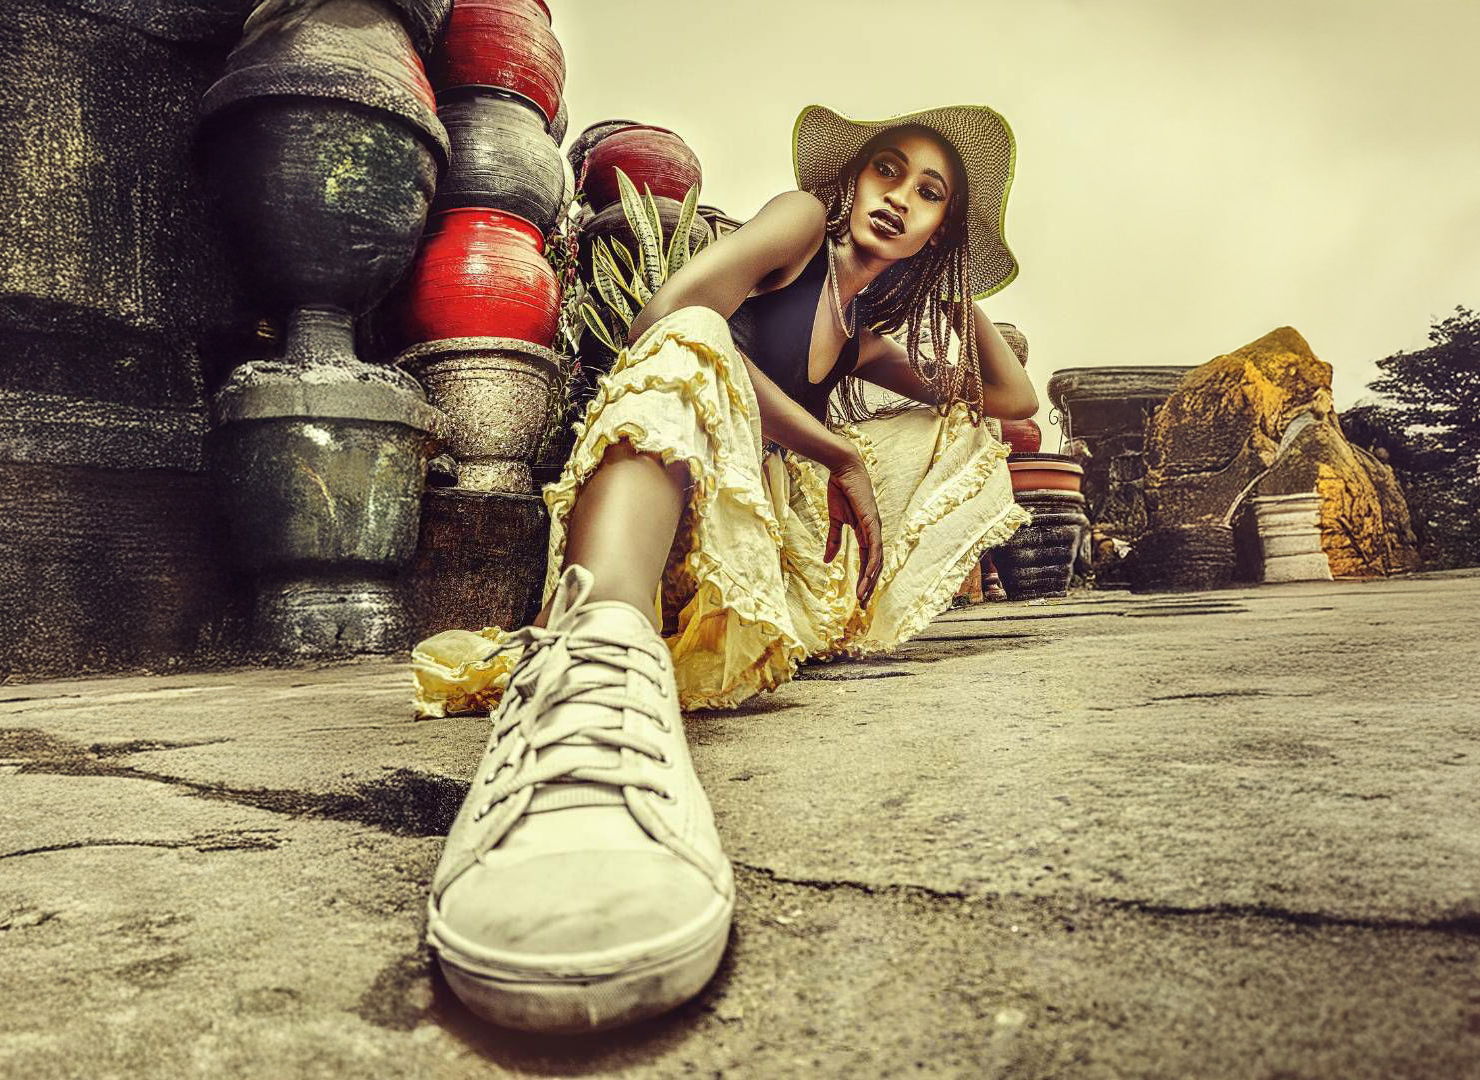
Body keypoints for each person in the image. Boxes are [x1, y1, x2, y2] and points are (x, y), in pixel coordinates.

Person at [414, 103, 1038, 1034]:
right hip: (662, 488)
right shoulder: (794, 227)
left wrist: (955, 288)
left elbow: (1010, 398)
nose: (899, 200)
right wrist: (834, 448)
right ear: (850, 184)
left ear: (937, 230)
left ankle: (682, 638)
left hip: (740, 547)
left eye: (929, 195)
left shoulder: (865, 336)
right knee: (700, 339)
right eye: (888, 173)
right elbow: (664, 316)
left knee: (937, 426)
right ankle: (592, 663)